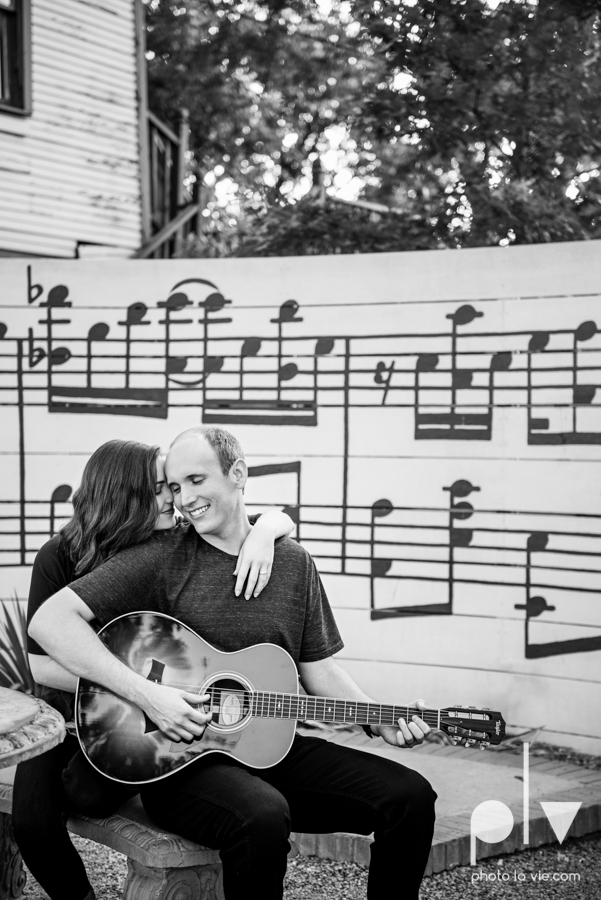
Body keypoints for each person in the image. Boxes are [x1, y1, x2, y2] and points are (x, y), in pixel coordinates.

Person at [29, 426, 437, 900]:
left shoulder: (293, 563)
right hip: (183, 761)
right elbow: (50, 623)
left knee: (410, 797)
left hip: (267, 744)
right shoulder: (162, 555)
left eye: (196, 480)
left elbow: (319, 670)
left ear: (238, 474)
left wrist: (376, 718)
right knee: (262, 814)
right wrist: (149, 695)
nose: (183, 499)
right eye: (176, 487)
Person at [14, 438, 294, 900]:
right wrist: (133, 687)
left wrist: (268, 532)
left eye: (177, 486)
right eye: (162, 487)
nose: (176, 498)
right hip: (62, 713)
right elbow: (42, 665)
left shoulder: (165, 545)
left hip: (139, 721)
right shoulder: (59, 555)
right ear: (124, 493)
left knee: (91, 797)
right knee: (31, 821)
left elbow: (254, 514)